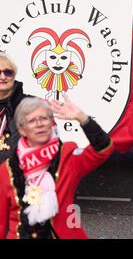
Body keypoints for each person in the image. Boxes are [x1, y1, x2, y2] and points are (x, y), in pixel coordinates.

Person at [0, 96, 114, 239]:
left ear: (51, 124)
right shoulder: (7, 170)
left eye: (44, 118)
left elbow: (103, 149)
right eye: (32, 121)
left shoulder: (68, 157)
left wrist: (83, 118)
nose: (39, 124)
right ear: (22, 130)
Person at [0, 54, 31, 164]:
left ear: (14, 75)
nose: (3, 77)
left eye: (7, 72)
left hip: (18, 173)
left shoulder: (31, 105)